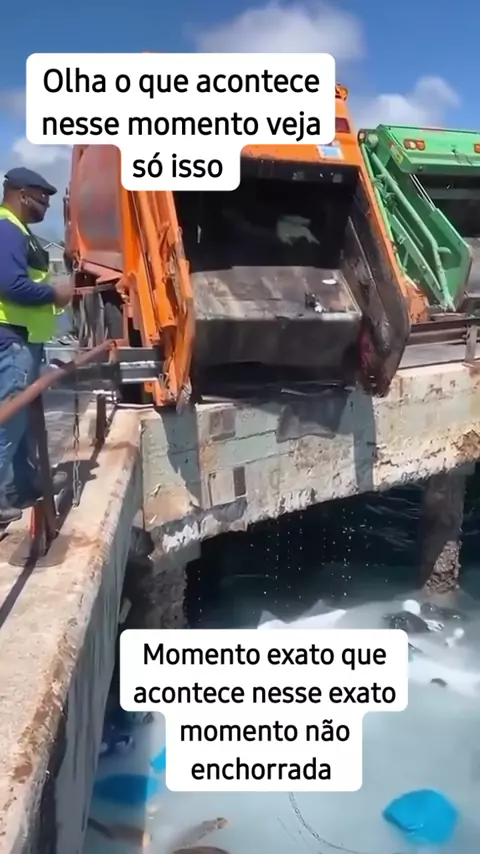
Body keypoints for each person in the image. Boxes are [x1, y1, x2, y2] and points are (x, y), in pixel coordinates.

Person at [0, 167, 74, 524]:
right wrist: (53, 294)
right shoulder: (7, 229)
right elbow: (10, 284)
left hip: (25, 338)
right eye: (42, 198)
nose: (46, 205)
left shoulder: (20, 231)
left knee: (23, 423)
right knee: (8, 422)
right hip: (12, 339)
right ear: (22, 195)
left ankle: (22, 486)